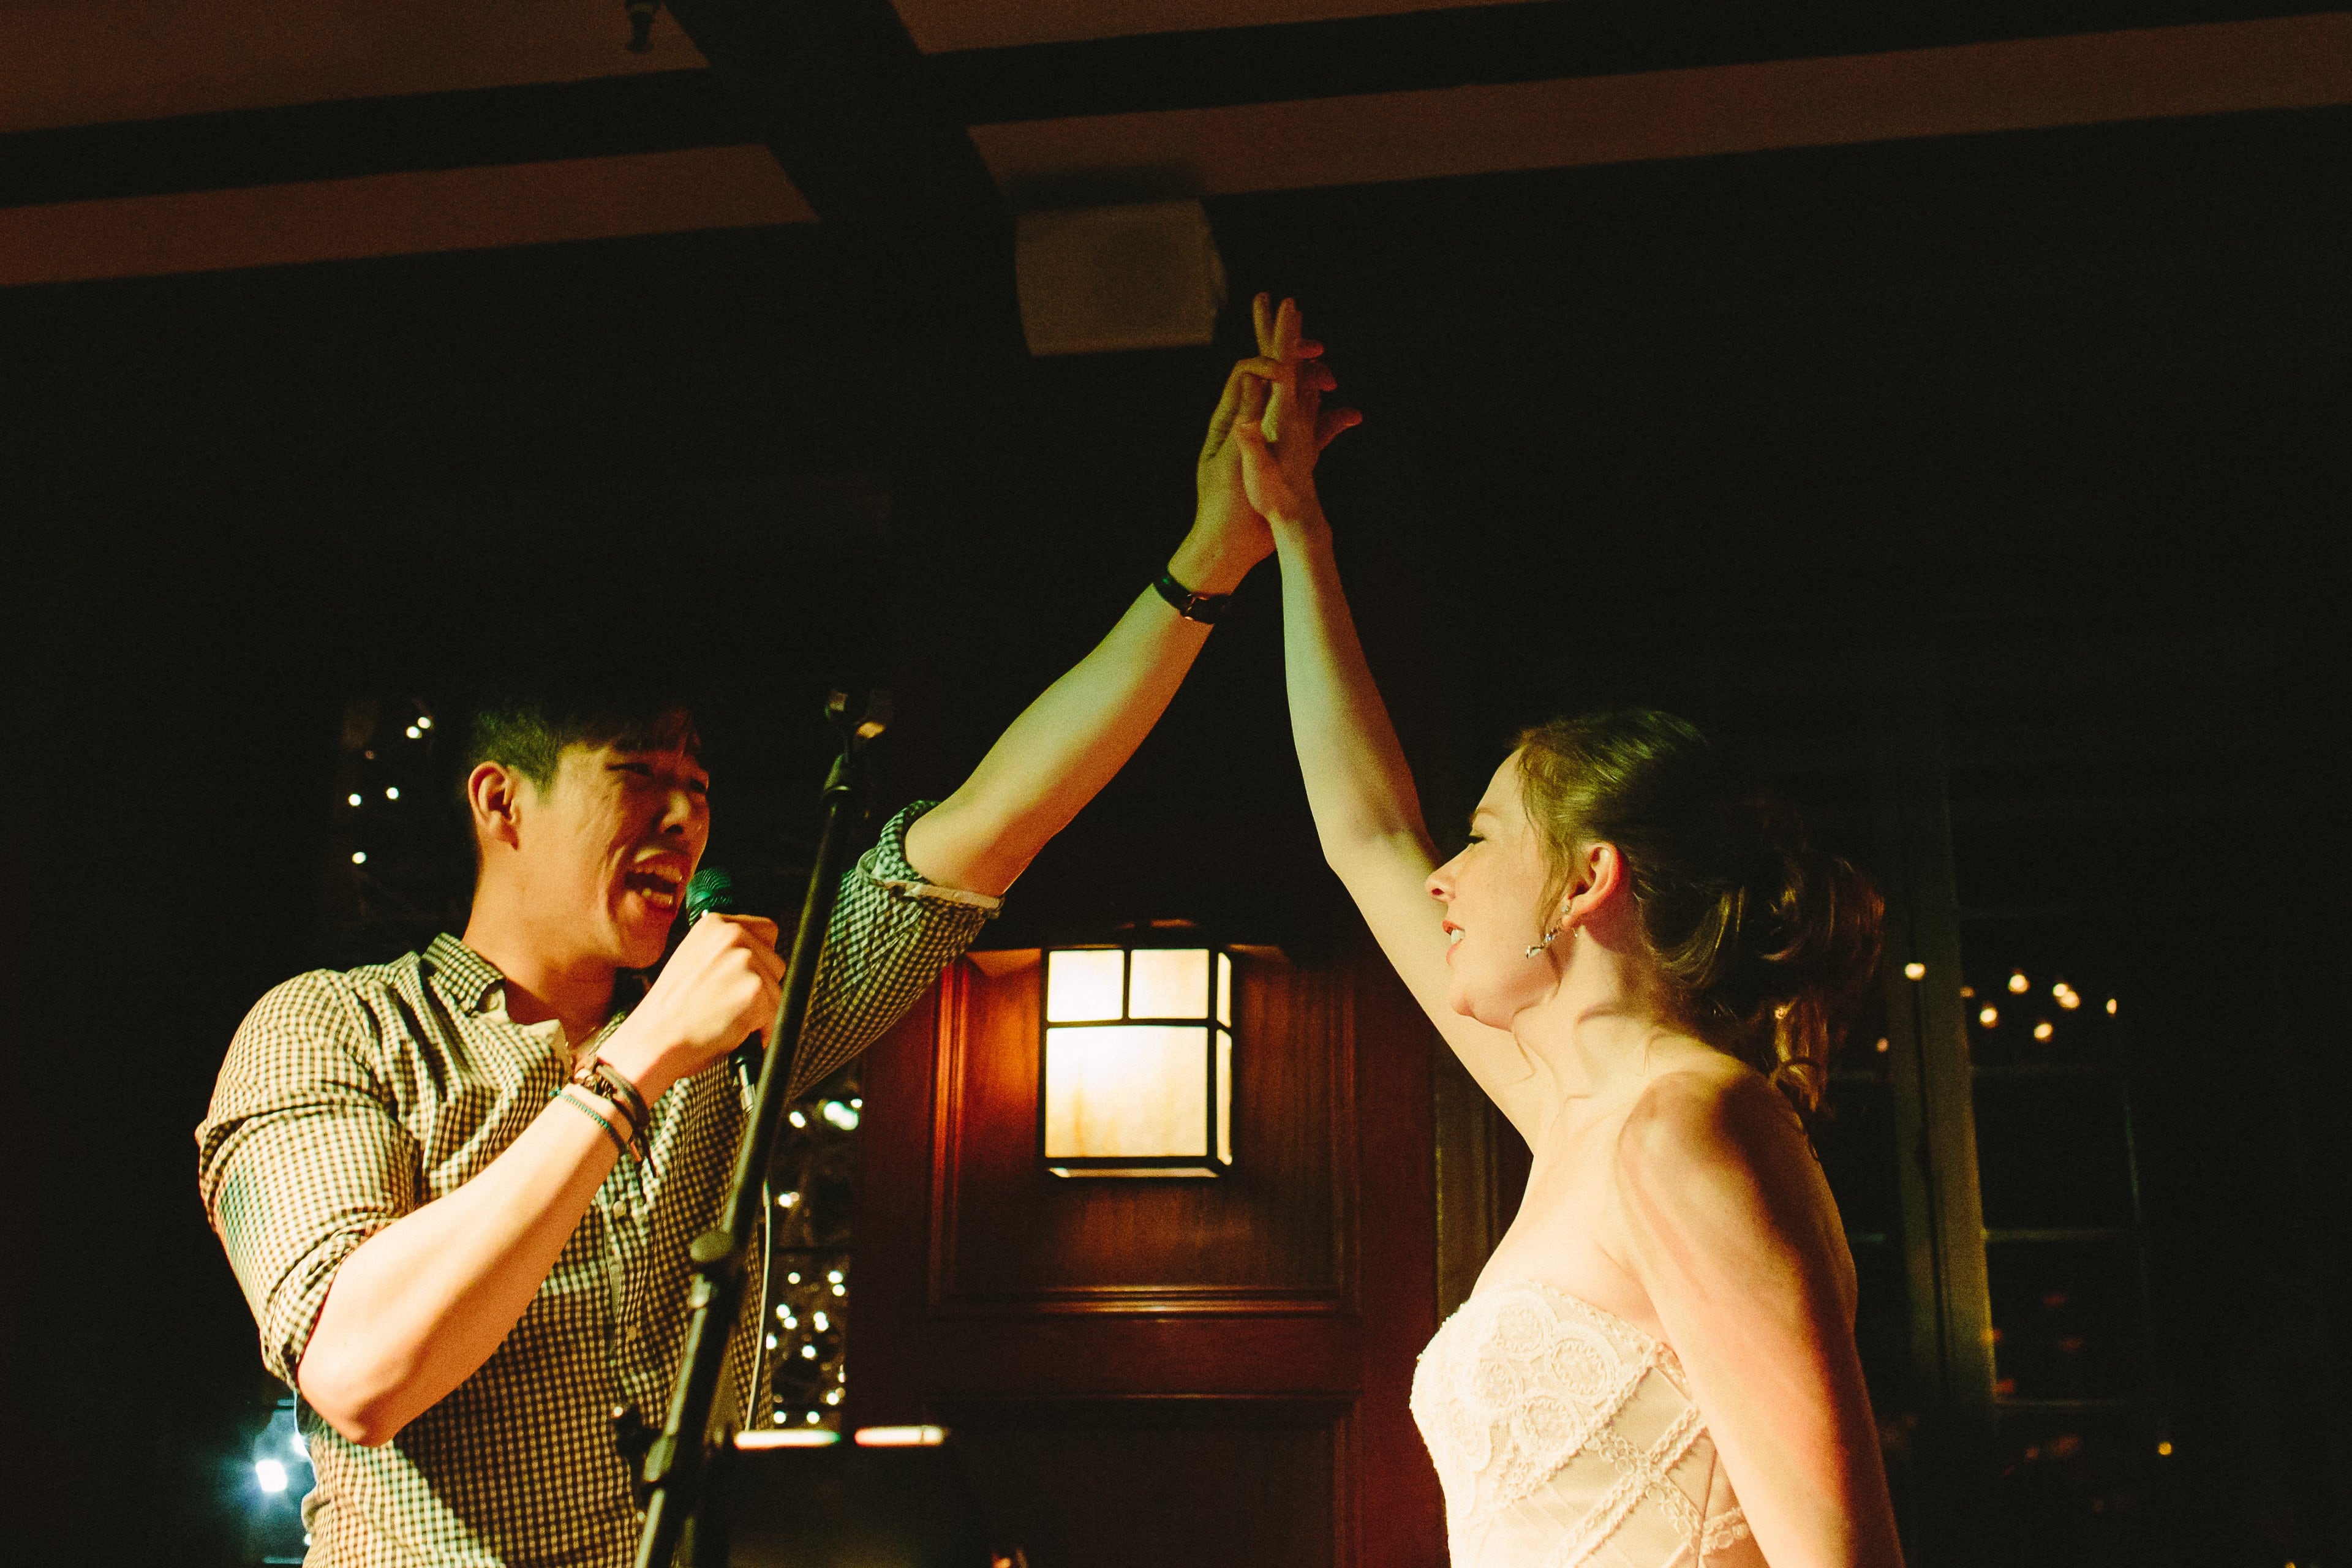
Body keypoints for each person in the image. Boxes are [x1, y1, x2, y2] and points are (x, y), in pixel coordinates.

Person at [194, 353, 1301, 1568]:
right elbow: (359, 1370)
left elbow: (995, 824)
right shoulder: (336, 1029)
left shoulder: (732, 1028)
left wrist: (1208, 564)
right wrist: (635, 1067)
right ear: (502, 802)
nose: (685, 815)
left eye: (699, 785)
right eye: (640, 775)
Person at [1227, 294, 1906, 1567]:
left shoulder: (1687, 1125)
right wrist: (1299, 538)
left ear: (1587, 876)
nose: (1446, 875)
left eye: (1483, 836)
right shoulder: (1580, 1113)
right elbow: (1367, 836)